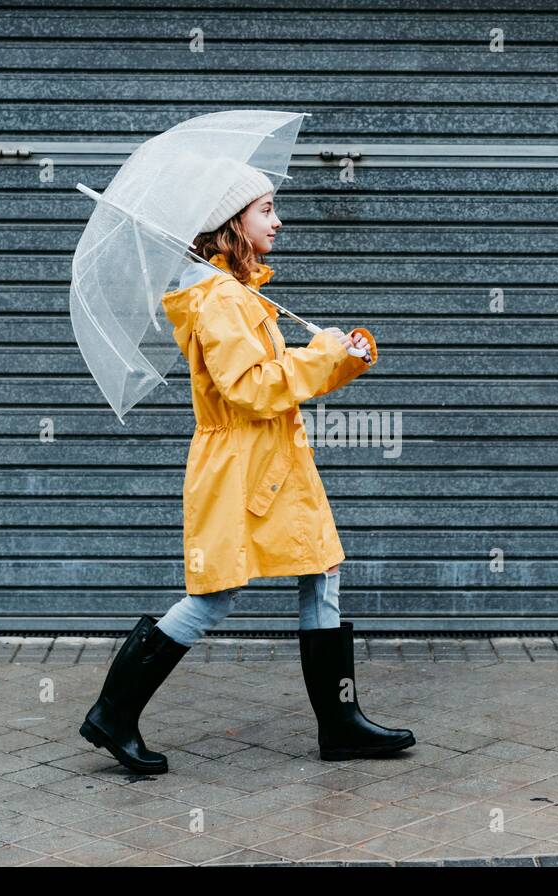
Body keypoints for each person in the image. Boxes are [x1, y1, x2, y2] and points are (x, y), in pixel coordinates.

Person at [80, 159, 415, 774]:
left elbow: (273, 379)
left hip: (271, 462)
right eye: (265, 210)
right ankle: (113, 712)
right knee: (212, 597)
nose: (278, 220)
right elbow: (253, 387)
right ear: (230, 223)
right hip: (240, 467)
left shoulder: (236, 294)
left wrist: (341, 358)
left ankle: (340, 724)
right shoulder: (216, 299)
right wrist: (322, 355)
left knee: (321, 569)